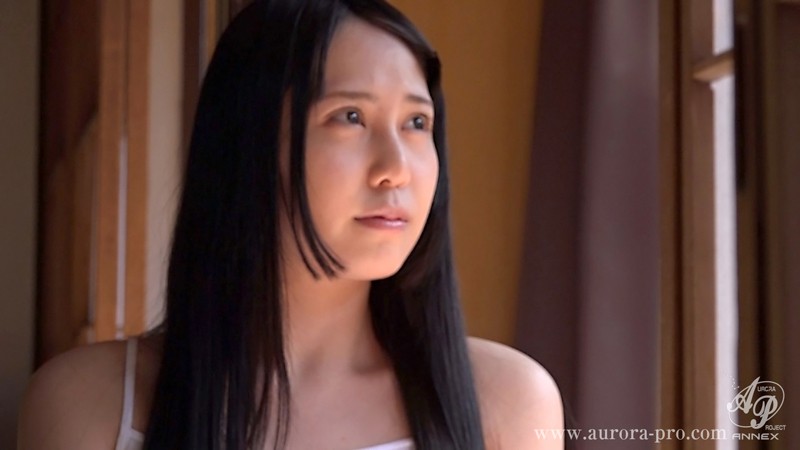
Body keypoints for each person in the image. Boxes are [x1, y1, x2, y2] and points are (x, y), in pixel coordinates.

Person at [17, 0, 564, 449]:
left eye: (417, 122)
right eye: (350, 117)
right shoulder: (89, 407)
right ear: (249, 144)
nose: (396, 167)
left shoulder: (507, 404)